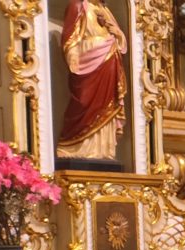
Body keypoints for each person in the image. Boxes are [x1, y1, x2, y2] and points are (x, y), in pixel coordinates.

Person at [56, 0, 128, 160]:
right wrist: (73, 56)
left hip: (109, 65)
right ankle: (76, 147)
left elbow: (121, 42)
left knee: (106, 106)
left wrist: (114, 30)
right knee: (83, 101)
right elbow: (70, 38)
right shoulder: (77, 6)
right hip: (87, 64)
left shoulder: (105, 10)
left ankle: (103, 150)